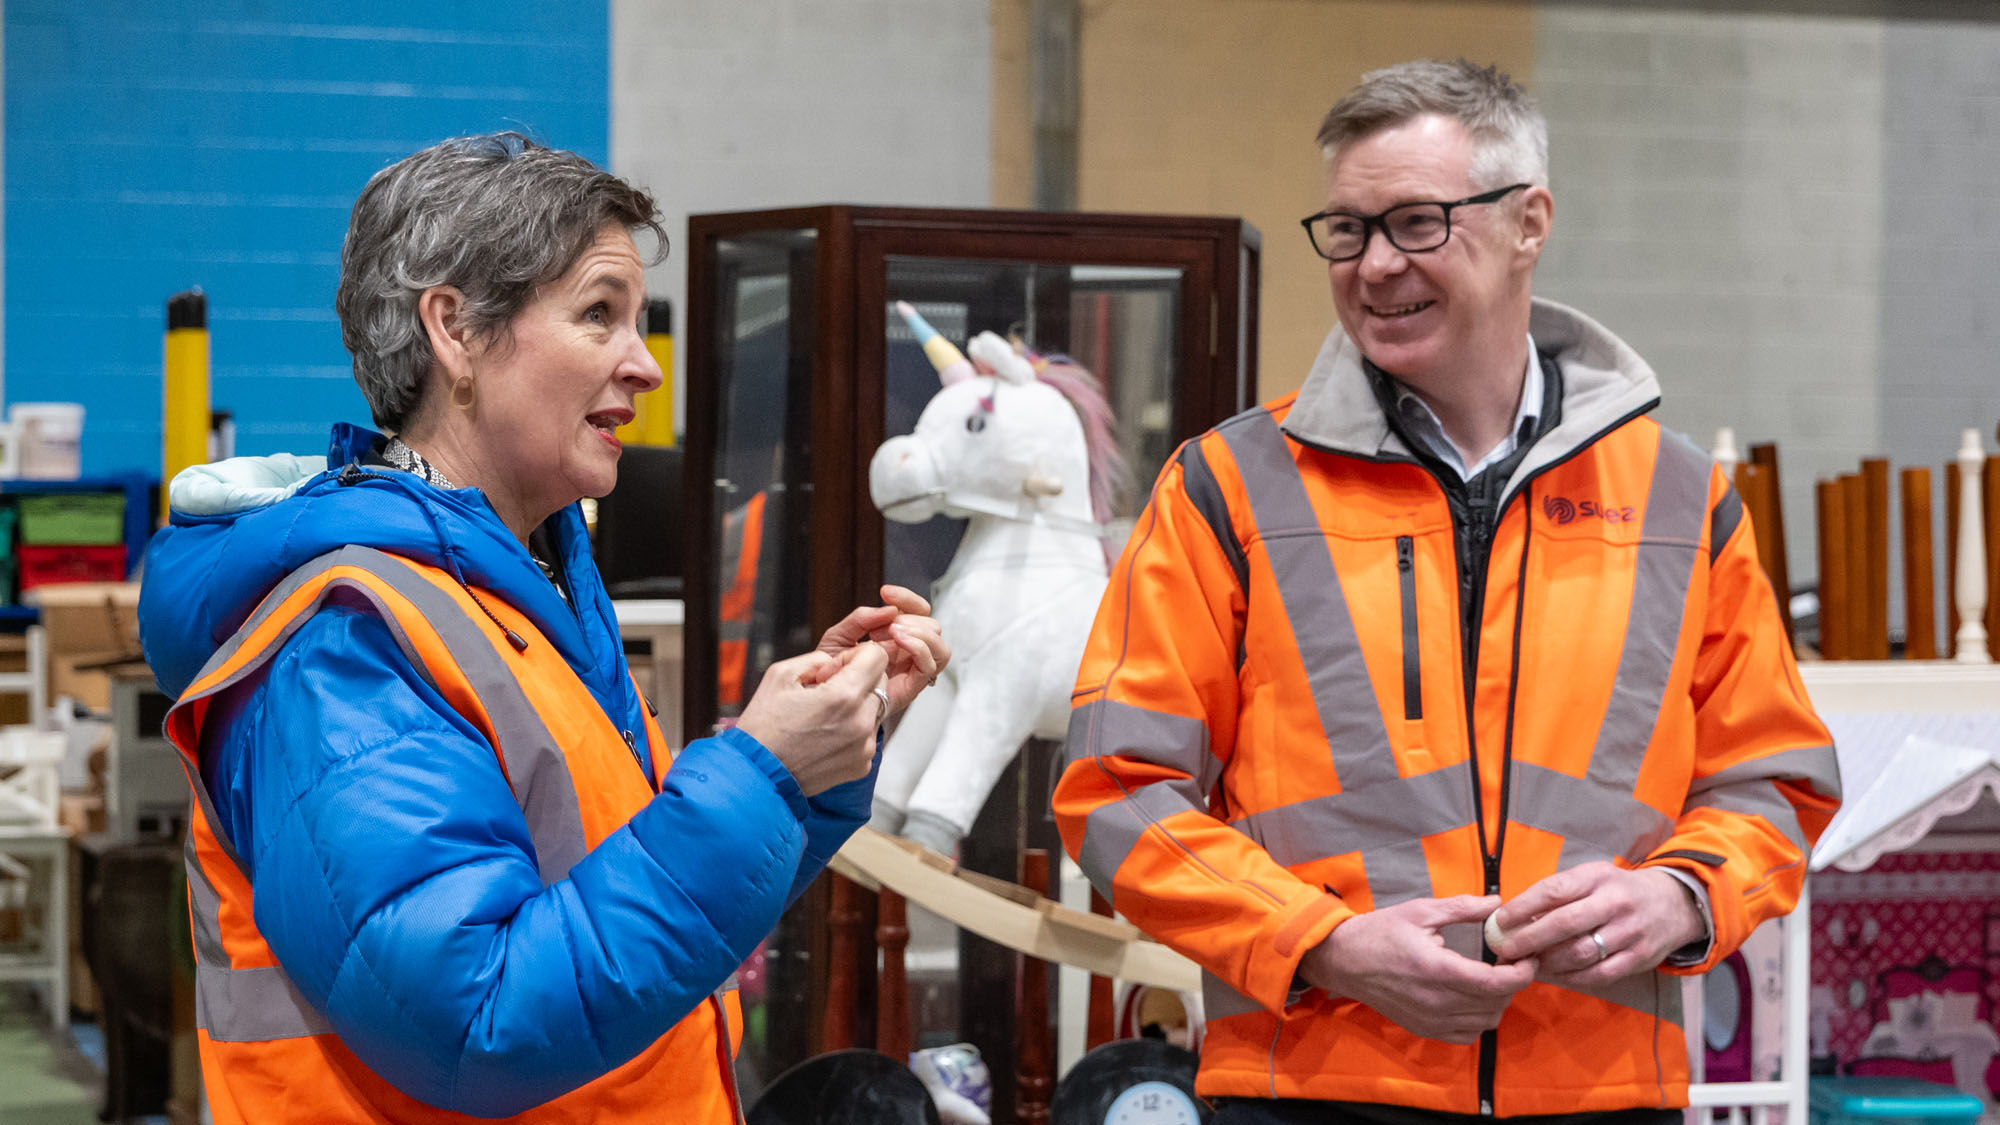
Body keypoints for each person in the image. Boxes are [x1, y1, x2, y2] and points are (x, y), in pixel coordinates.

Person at [1051, 60, 1840, 1123]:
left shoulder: (1677, 500)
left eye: (1415, 224)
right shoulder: (1226, 489)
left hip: (1599, 1090)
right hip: (1307, 1089)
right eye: (1347, 229)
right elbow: (1113, 788)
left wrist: (1679, 895)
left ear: (1528, 224)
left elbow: (1769, 782)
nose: (1374, 265)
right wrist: (1321, 945)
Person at [137, 132, 949, 1123]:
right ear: (456, 331)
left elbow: (625, 905)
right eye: (598, 315)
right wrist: (757, 775)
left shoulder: (530, 590)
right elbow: (475, 1017)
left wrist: (805, 759)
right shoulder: (348, 644)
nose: (643, 368)